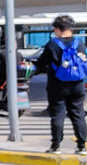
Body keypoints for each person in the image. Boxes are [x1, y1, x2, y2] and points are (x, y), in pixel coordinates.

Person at [33, 14, 87, 154]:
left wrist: (31, 72)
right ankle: (82, 146)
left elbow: (41, 63)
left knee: (57, 114)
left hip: (58, 85)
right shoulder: (79, 43)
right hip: (78, 84)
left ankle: (56, 146)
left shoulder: (52, 44)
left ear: (57, 29)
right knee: (78, 114)